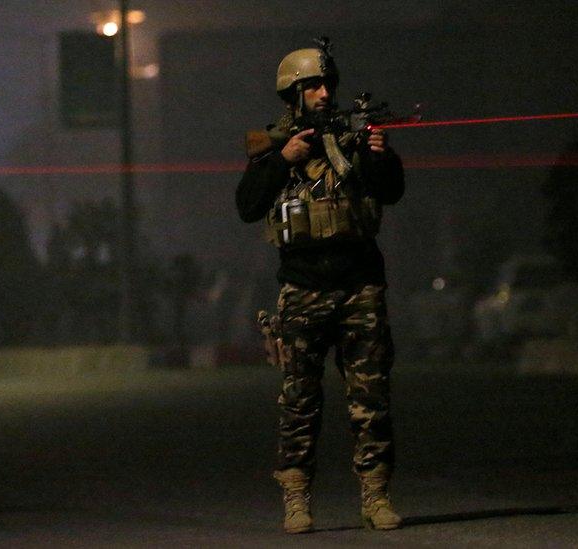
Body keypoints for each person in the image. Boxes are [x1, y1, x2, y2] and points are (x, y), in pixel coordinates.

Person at [236, 38, 404, 534]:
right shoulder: (276, 146)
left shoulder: (353, 138)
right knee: (298, 401)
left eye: (327, 84)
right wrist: (282, 158)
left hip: (359, 287)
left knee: (371, 399)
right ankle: (296, 499)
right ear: (293, 94)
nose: (324, 93)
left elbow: (389, 191)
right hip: (303, 287)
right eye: (313, 86)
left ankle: (375, 497)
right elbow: (247, 206)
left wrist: (378, 154)